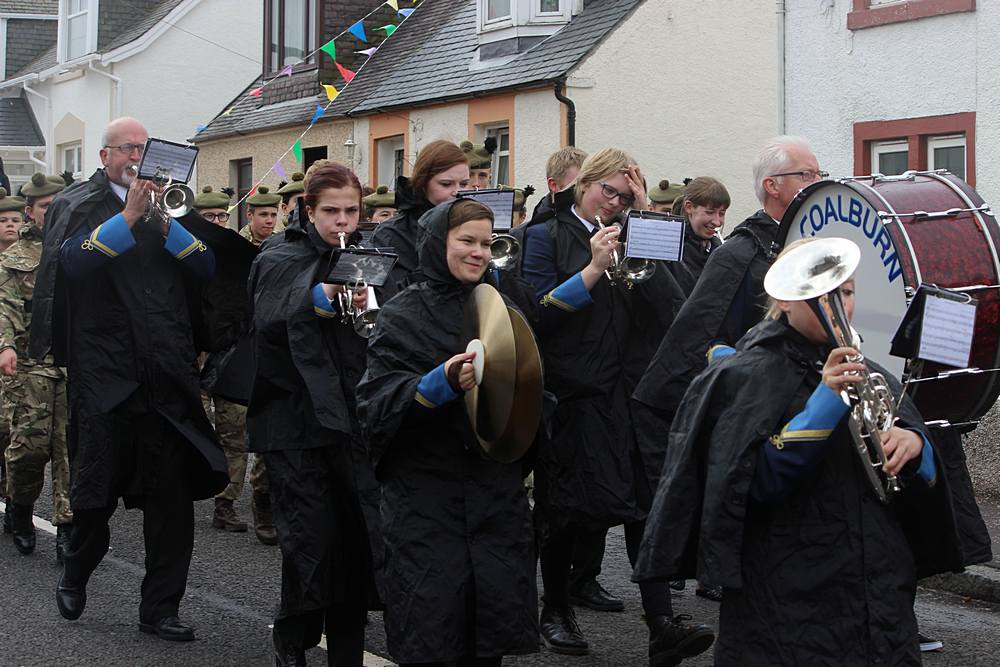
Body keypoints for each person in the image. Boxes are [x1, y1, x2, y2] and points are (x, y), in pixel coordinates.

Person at [634, 237, 962, 665]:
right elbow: (751, 486)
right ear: (783, 300)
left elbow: (922, 488)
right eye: (820, 293)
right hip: (785, 600)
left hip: (878, 595)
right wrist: (825, 402)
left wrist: (917, 448)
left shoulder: (874, 373)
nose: (838, 304)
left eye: (845, 291)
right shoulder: (741, 376)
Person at [31, 116, 229, 641]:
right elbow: (72, 265)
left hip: (166, 373)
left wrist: (165, 225)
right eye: (127, 149)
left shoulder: (172, 209)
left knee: (172, 502)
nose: (137, 157)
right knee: (94, 496)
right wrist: (127, 217)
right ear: (105, 157)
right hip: (106, 376)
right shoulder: (80, 204)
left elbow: (206, 266)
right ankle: (77, 567)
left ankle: (160, 608)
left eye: (145, 148)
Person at [520, 148, 713, 663]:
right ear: (583, 184)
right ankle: (556, 608)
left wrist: (647, 215)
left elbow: (680, 305)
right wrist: (592, 270)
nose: (616, 202)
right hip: (574, 395)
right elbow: (537, 314)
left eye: (625, 195)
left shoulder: (636, 231)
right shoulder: (542, 236)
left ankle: (661, 625)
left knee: (646, 508)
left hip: (632, 394)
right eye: (610, 191)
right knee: (567, 511)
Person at [357, 198, 538, 667]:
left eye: (486, 242)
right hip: (426, 500)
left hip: (492, 497)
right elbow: (375, 402)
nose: (479, 252)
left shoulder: (503, 305)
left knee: (486, 636)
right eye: (466, 241)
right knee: (432, 633)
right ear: (438, 244)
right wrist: (434, 386)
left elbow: (534, 385)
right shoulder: (402, 314)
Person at [246, 161, 375, 666]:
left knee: (356, 535)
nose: (342, 222)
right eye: (331, 212)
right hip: (293, 418)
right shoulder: (280, 253)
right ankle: (293, 638)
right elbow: (269, 314)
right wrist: (317, 298)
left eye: (351, 211)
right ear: (308, 209)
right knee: (310, 539)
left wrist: (371, 304)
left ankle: (346, 650)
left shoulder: (366, 253)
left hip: (350, 415)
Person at [634, 136, 823, 428]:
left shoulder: (816, 242)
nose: (817, 182)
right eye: (805, 175)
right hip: (757, 407)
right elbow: (700, 333)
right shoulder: (738, 252)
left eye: (819, 174)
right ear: (771, 186)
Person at [191, 186, 275, 543]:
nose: (216, 222)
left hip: (241, 347)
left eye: (221, 216)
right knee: (211, 426)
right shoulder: (209, 250)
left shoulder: (263, 252)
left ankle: (229, 500)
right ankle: (209, 489)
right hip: (204, 347)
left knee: (236, 428)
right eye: (209, 218)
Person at [0, 173, 73, 561]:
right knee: (28, 449)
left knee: (69, 450)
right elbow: (4, 307)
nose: (54, 212)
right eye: (46, 207)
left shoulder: (80, 250)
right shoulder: (14, 259)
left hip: (73, 365)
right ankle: (21, 506)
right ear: (30, 211)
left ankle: (67, 526)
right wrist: (5, 345)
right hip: (29, 366)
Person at [369, 139, 470, 302]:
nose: (457, 192)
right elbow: (392, 300)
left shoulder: (470, 228)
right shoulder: (390, 235)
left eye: (464, 184)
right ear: (423, 184)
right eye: (446, 184)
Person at [0, 186, 27, 537]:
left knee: (11, 428)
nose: (10, 225)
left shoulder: (26, 260)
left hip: (16, 356)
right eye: (3, 219)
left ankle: (12, 496)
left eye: (14, 219)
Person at [666, 176, 729, 297]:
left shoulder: (719, 249)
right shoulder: (671, 248)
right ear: (689, 207)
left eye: (722, 213)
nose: (717, 222)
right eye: (710, 212)